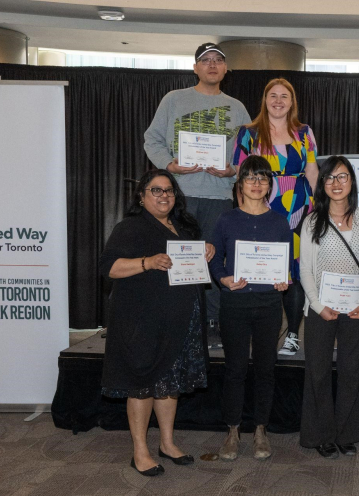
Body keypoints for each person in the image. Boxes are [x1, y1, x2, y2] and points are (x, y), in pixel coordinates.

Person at [99, 169, 214, 476]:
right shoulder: (131, 228)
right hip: (143, 321)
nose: (164, 196)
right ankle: (140, 451)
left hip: (181, 319)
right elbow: (108, 268)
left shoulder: (185, 226)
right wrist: (147, 263)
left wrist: (207, 251)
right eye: (156, 190)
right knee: (143, 384)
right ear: (142, 196)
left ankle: (167, 442)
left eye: (169, 191)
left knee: (169, 383)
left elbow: (192, 262)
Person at [144, 42, 251, 348]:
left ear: (226, 69)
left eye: (218, 60)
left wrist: (233, 171)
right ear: (195, 68)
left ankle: (213, 323)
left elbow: (249, 152)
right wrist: (169, 164)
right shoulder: (173, 100)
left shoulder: (237, 108)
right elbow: (152, 139)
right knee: (177, 260)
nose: (212, 65)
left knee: (214, 260)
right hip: (180, 196)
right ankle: (174, 321)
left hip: (220, 199)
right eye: (206, 60)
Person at [208, 155, 292, 461]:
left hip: (269, 303)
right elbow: (215, 259)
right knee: (235, 369)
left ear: (270, 185)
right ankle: (233, 431)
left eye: (262, 178)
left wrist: (285, 280)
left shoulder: (279, 221)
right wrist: (223, 278)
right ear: (239, 184)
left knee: (266, 369)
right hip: (235, 303)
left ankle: (260, 430)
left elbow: (287, 263)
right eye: (250, 178)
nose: (257, 184)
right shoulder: (226, 220)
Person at [232, 78, 318, 357]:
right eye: (273, 95)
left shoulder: (304, 132)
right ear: (265, 100)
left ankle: (293, 334)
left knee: (293, 271)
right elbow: (240, 174)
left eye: (285, 96)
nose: (279, 101)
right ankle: (261, 333)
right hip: (260, 206)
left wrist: (314, 207)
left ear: (292, 102)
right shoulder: (248, 133)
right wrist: (242, 210)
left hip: (298, 207)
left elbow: (313, 170)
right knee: (260, 267)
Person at [299, 156, 359, 459]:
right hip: (321, 309)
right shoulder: (311, 221)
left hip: (355, 308)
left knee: (350, 371)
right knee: (317, 372)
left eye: (342, 177)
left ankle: (345, 433)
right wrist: (317, 305)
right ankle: (320, 434)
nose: (336, 183)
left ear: (352, 182)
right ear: (322, 184)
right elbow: (306, 269)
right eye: (329, 178)